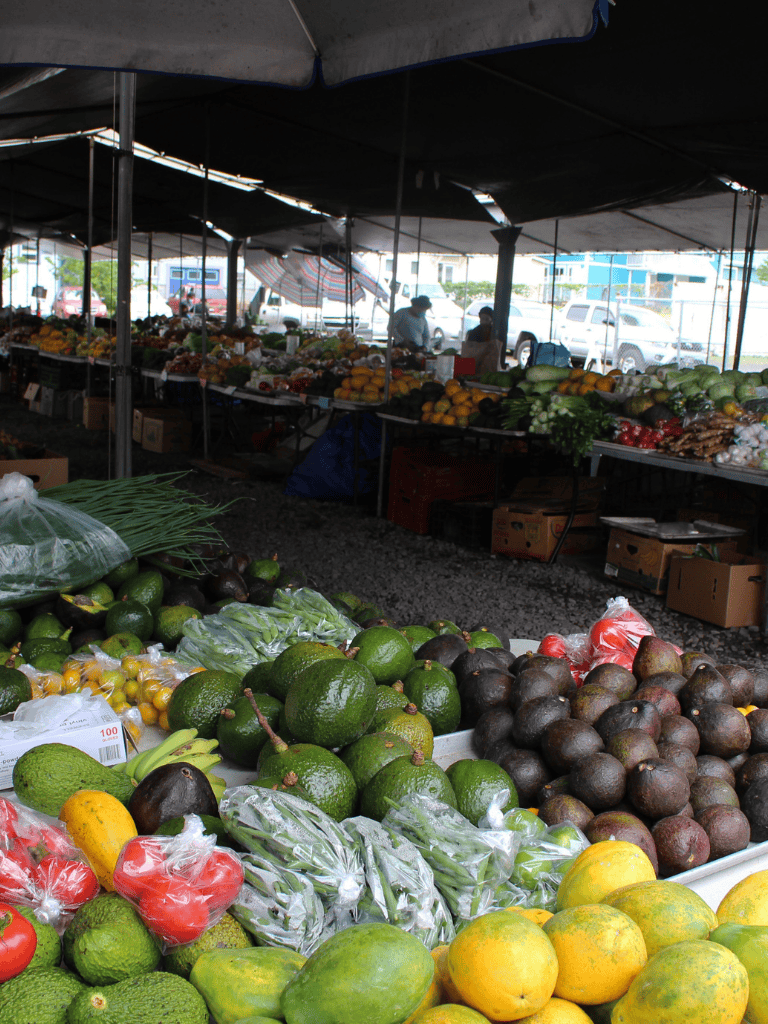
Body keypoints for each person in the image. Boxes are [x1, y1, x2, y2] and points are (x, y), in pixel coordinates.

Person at [461, 305, 503, 375]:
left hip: (488, 368)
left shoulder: (494, 333)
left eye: (486, 319)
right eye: (482, 318)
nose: (484, 321)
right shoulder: (474, 332)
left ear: (491, 319)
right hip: (475, 367)